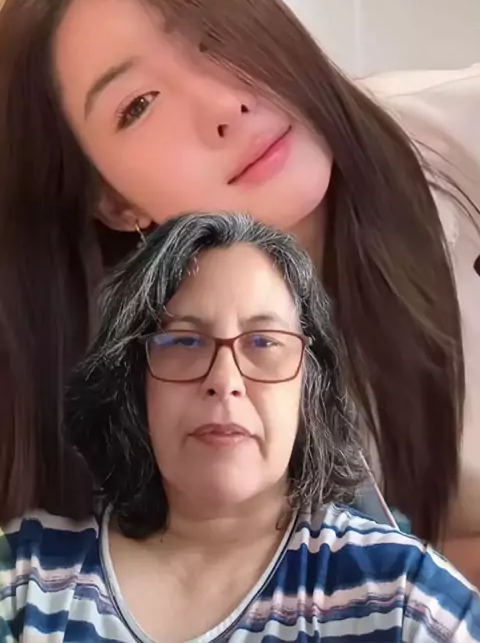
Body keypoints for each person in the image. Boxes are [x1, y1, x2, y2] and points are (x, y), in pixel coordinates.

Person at [0, 0, 474, 555]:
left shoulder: (459, 132)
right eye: (139, 104)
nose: (226, 106)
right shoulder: (157, 414)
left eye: (216, 36)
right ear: (113, 202)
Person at [1, 212, 479, 643]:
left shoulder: (403, 600)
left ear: (309, 388)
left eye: (264, 342)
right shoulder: (26, 580)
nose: (225, 381)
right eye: (185, 341)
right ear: (131, 383)